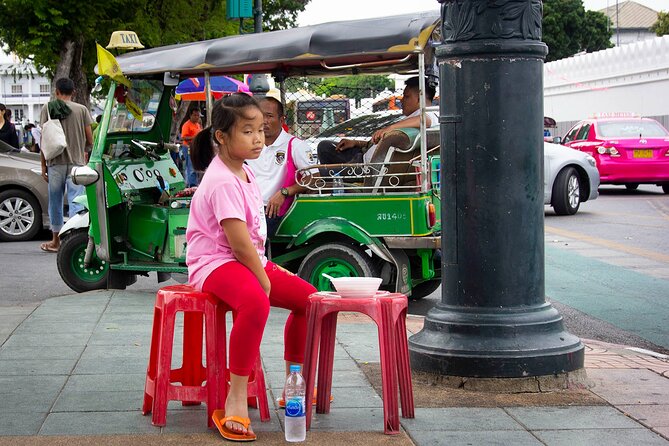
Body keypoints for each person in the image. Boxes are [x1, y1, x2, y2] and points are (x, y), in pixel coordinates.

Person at [186, 93, 316, 442]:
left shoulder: (243, 170)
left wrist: (267, 270)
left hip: (246, 260)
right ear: (222, 137)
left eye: (260, 129)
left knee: (309, 300)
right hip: (214, 262)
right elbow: (239, 243)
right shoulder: (221, 180)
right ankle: (236, 396)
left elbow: (252, 245)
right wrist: (264, 278)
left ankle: (294, 384)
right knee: (256, 301)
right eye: (248, 131)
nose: (258, 138)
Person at [317, 76, 438, 165]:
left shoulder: (428, 114)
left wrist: (389, 128)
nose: (402, 101)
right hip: (364, 156)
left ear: (420, 97)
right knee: (328, 146)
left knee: (324, 147)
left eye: (406, 97)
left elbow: (424, 120)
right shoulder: (412, 119)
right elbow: (383, 144)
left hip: (363, 165)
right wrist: (356, 143)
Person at [246, 97, 315, 238]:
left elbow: (314, 178)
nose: (264, 121)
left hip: (272, 209)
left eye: (269, 116)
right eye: (260, 115)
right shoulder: (249, 144)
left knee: (247, 240)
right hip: (248, 206)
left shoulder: (295, 145)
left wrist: (285, 192)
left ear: (282, 120)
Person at [38, 78, 94, 253]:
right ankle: (73, 241)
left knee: (55, 202)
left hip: (55, 163)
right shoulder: (82, 110)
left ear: (57, 92)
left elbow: (44, 140)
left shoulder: (48, 108)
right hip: (77, 164)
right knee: (76, 202)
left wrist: (43, 166)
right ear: (74, 92)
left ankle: (55, 241)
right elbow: (90, 139)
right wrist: (83, 150)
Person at [180, 107, 202, 187]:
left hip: (196, 148)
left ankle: (195, 184)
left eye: (198, 116)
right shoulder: (187, 125)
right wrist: (195, 137)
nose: (197, 117)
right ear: (190, 115)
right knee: (191, 167)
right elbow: (183, 138)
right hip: (188, 148)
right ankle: (191, 185)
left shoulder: (198, 125)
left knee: (197, 168)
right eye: (195, 115)